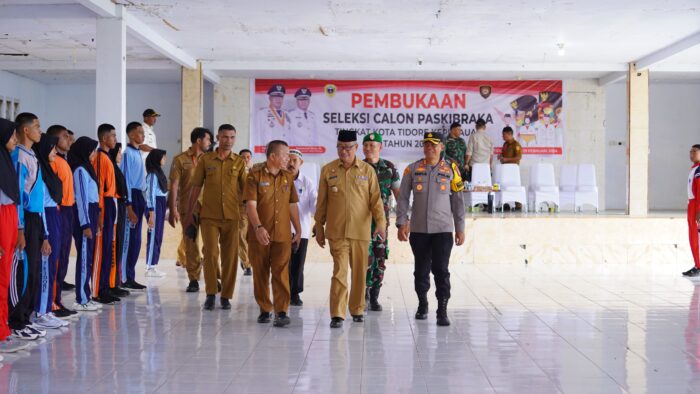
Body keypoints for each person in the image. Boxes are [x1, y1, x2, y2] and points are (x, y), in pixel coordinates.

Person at [314, 129, 386, 328]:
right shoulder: (328, 170)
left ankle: (357, 309)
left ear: (356, 148)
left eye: (348, 147)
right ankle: (337, 313)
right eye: (340, 147)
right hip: (337, 232)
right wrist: (318, 226)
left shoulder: (367, 170)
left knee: (359, 273)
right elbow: (321, 202)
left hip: (361, 231)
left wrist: (381, 223)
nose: (344, 151)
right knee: (339, 272)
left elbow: (376, 201)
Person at [396, 132, 465, 326]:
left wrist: (460, 228)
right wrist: (402, 222)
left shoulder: (452, 169)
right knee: (421, 271)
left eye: (434, 145)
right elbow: (402, 198)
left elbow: (458, 201)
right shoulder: (412, 169)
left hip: (443, 230)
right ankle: (422, 303)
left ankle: (442, 309)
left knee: (441, 270)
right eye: (427, 145)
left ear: (441, 147)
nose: (430, 148)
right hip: (419, 230)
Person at [184, 124, 246, 311]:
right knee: (210, 254)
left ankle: (226, 295)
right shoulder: (206, 160)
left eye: (232, 137)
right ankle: (211, 293)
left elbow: (245, 190)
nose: (229, 141)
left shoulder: (239, 162)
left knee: (230, 257)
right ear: (218, 138)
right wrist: (188, 213)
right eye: (225, 137)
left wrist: (248, 213)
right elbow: (196, 187)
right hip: (208, 216)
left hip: (232, 216)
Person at [244, 140, 301, 327]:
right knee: (260, 273)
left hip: (283, 235)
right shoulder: (254, 176)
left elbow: (292, 205)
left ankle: (282, 311)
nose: (288, 159)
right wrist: (258, 227)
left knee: (281, 273)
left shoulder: (288, 177)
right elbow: (250, 205)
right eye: (285, 155)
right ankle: (265, 308)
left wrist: (298, 229)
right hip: (259, 235)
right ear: (273, 157)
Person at [9, 112, 51, 339]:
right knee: (23, 272)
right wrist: (19, 228)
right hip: (24, 218)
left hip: (35, 218)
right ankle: (16, 320)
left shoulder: (32, 154)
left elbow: (39, 196)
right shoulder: (19, 156)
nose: (40, 130)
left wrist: (44, 232)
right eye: (36, 126)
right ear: (25, 130)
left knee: (33, 270)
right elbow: (17, 193)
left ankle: (26, 316)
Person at [0, 118, 31, 352]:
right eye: (11, 135)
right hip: (2, 217)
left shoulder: (6, 162)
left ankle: (3, 331)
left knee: (5, 276)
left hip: (9, 215)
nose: (15, 139)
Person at [32, 134, 68, 329]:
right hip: (46, 218)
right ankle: (41, 311)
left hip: (54, 215)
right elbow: (39, 206)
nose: (55, 152)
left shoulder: (48, 170)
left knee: (52, 266)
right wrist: (45, 235)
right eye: (52, 148)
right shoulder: (40, 172)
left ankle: (46, 308)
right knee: (45, 268)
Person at [169, 128, 211, 292]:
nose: (210, 143)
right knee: (191, 244)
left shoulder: (210, 159)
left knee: (210, 245)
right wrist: (173, 209)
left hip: (208, 208)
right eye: (208, 139)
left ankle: (212, 277)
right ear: (199, 141)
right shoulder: (180, 160)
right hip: (188, 209)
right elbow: (174, 185)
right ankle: (193, 279)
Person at [362, 132, 400, 312]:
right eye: (366, 145)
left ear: (380, 147)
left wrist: (404, 219)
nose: (368, 148)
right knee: (362, 259)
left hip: (381, 224)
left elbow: (399, 194)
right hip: (360, 223)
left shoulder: (389, 168)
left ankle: (375, 296)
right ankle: (363, 295)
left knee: (379, 258)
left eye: (372, 145)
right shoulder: (357, 167)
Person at [45, 125, 78, 316]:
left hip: (68, 210)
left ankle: (57, 300)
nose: (69, 140)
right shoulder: (53, 161)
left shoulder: (63, 160)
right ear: (55, 140)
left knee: (64, 257)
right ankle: (52, 303)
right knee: (56, 259)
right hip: (59, 211)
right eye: (65, 136)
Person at [69, 136, 102, 312]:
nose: (94, 153)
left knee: (88, 257)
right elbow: (81, 199)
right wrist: (85, 224)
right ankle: (81, 298)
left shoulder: (88, 169)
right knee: (84, 257)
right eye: (92, 150)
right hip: (85, 215)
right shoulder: (80, 170)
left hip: (92, 212)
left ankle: (86, 295)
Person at [91, 124, 121, 305]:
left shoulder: (108, 157)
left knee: (109, 245)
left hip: (112, 203)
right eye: (112, 136)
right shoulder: (100, 158)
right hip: (105, 205)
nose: (115, 139)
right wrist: (100, 212)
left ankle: (105, 286)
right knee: (101, 248)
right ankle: (98, 290)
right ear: (104, 139)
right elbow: (99, 187)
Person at [120, 122, 148, 291]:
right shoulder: (127, 154)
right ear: (131, 135)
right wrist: (129, 206)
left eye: (143, 132)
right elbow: (127, 181)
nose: (142, 135)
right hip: (132, 197)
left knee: (136, 240)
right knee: (129, 240)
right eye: (139, 132)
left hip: (140, 196)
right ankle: (124, 277)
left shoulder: (138, 153)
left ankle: (131, 275)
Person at [287, 149, 316, 306]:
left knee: (298, 265)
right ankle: (282, 292)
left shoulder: (307, 182)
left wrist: (321, 217)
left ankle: (295, 294)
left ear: (301, 163)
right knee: (282, 263)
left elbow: (315, 205)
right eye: (289, 160)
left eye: (294, 161)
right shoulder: (280, 179)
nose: (291, 163)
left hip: (301, 231)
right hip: (280, 230)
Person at [108, 143, 130, 296]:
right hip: (115, 207)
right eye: (119, 152)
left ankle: (116, 281)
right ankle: (110, 283)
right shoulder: (111, 168)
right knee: (114, 246)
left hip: (120, 206)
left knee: (120, 244)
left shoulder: (116, 168)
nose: (120, 155)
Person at [145, 149, 168, 277]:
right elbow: (150, 194)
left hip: (161, 203)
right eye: (163, 157)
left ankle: (153, 265)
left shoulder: (159, 173)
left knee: (158, 235)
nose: (165, 159)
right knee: (153, 236)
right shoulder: (153, 174)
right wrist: (151, 213)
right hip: (155, 205)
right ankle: (149, 267)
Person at [683, 144, 700, 277]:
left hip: (697, 205)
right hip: (692, 204)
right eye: (690, 151)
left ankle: (698, 266)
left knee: (696, 237)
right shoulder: (694, 168)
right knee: (693, 237)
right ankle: (697, 264)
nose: (691, 153)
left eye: (694, 151)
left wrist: (699, 210)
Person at [238, 148, 253, 276]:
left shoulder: (256, 172)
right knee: (242, 237)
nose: (246, 159)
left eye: (248, 157)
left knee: (252, 238)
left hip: (255, 211)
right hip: (240, 209)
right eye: (243, 157)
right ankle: (247, 264)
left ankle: (249, 260)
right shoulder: (235, 172)